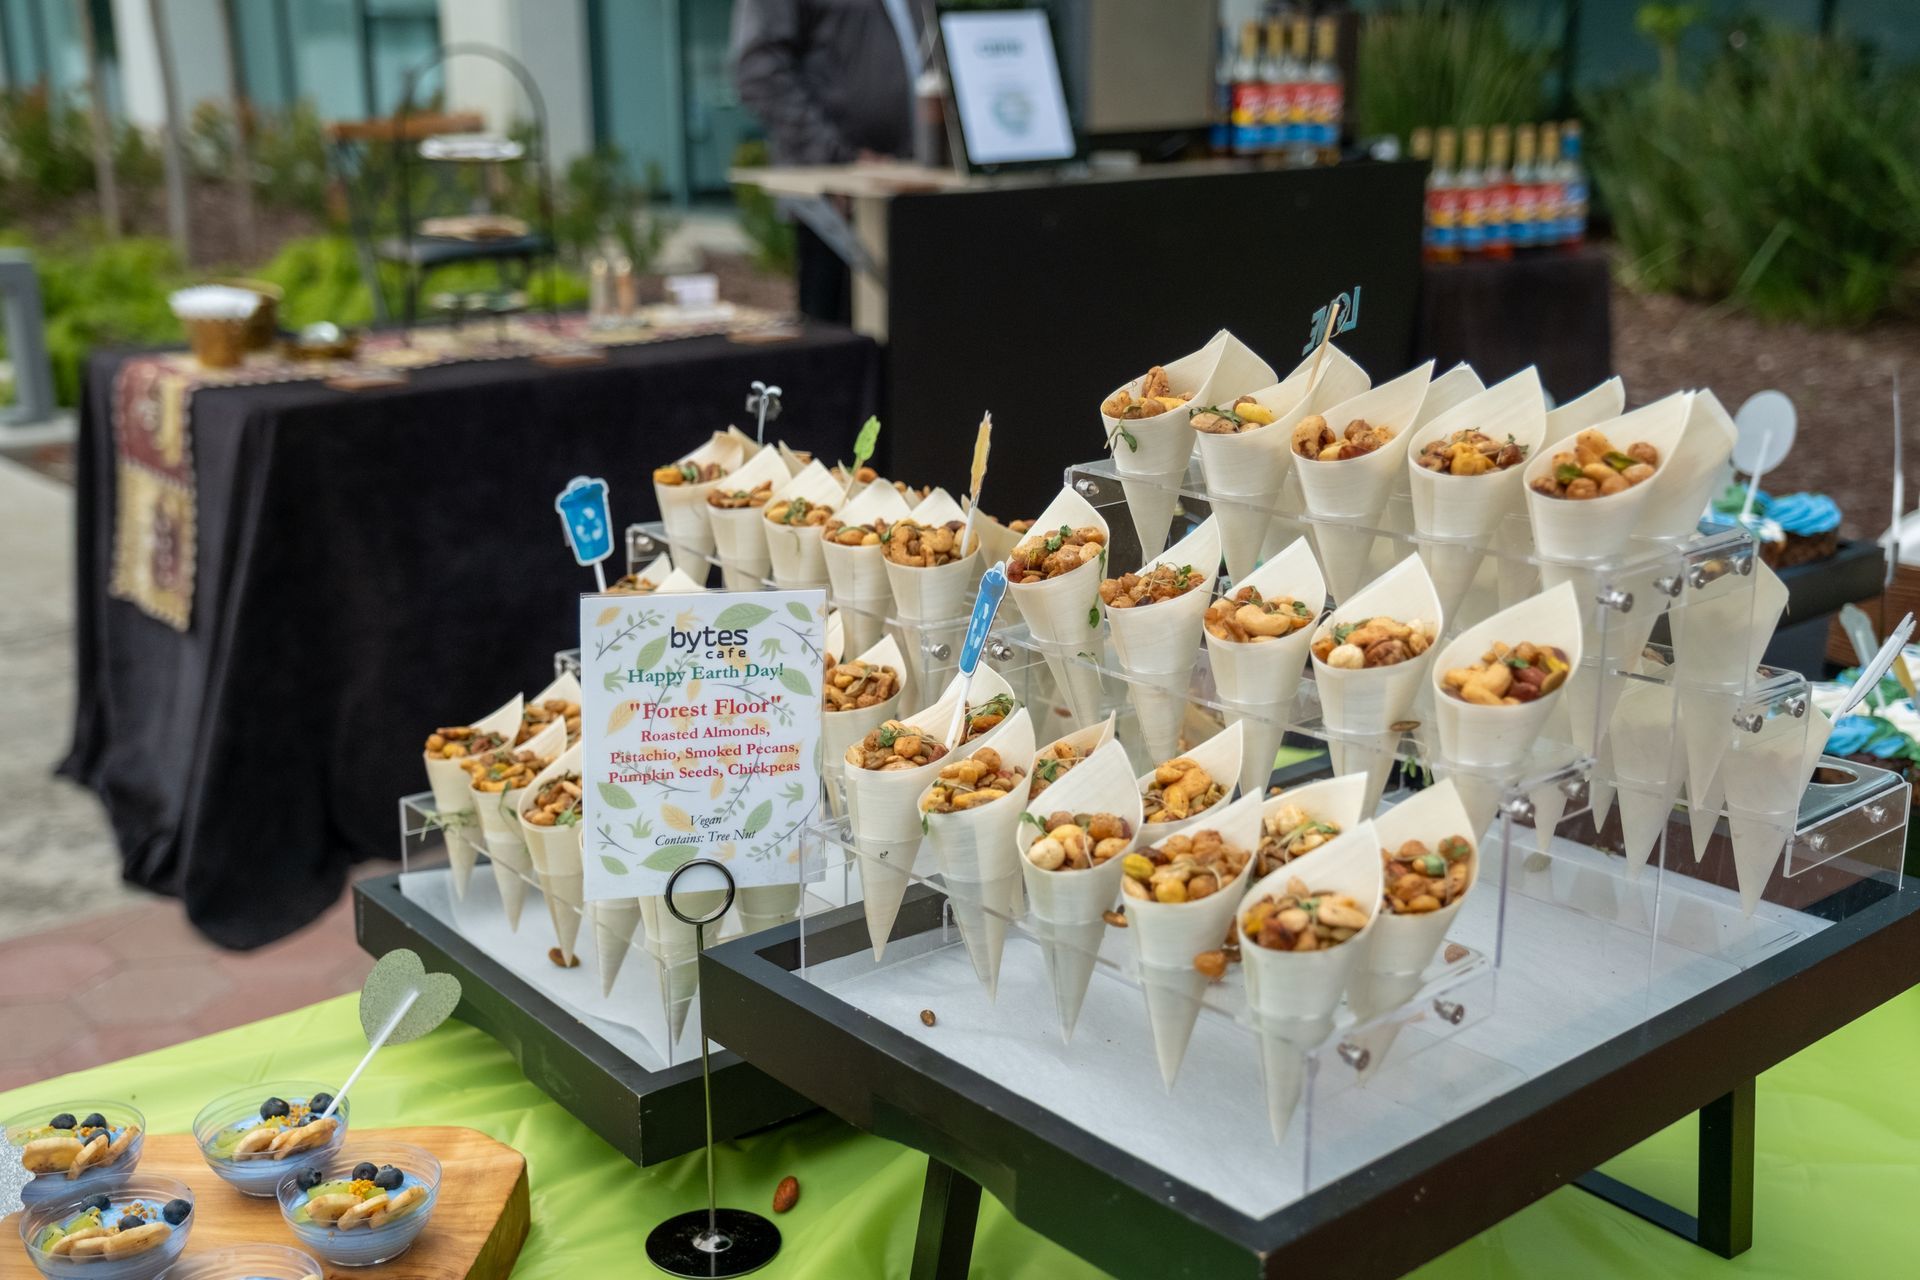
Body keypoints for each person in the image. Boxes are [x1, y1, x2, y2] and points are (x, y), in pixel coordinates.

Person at [731, 0, 921, 322]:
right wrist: (835, 156)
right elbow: (759, 69)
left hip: (918, 191)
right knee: (842, 351)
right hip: (837, 202)